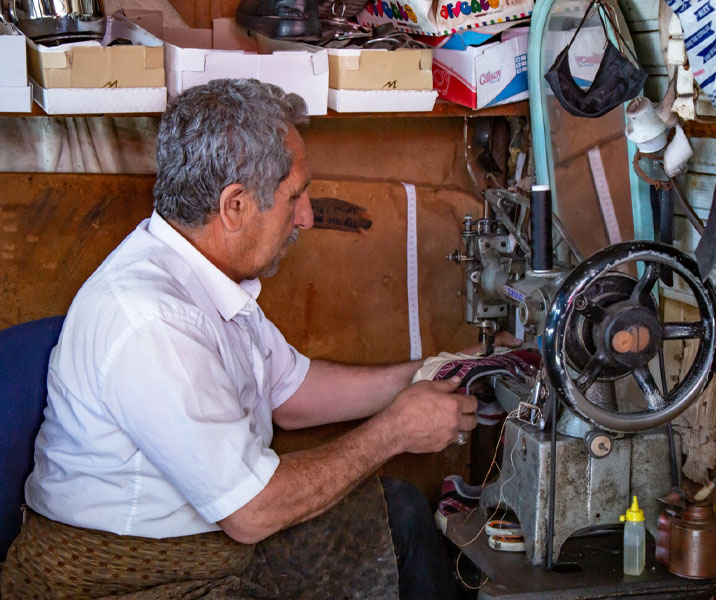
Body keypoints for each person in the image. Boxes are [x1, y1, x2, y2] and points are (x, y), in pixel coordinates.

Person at [0, 79, 480, 599]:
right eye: (294, 197)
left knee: (400, 513)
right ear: (234, 206)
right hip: (121, 576)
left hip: (215, 546)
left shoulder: (205, 274)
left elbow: (291, 396)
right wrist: (395, 431)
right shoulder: (151, 319)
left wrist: (434, 372)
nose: (307, 216)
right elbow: (251, 512)